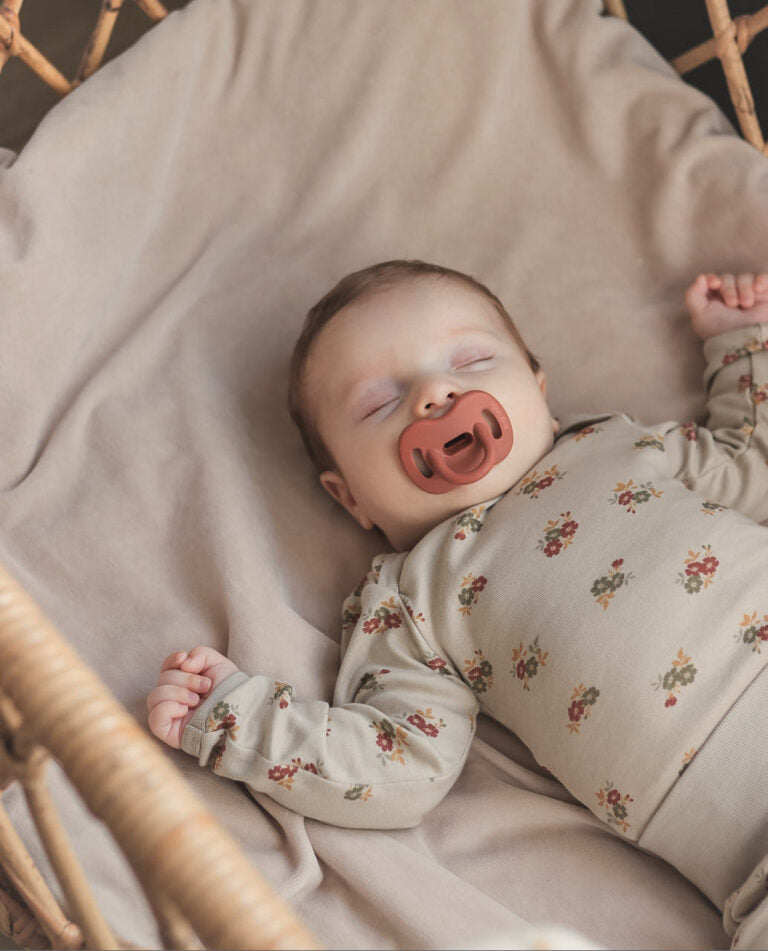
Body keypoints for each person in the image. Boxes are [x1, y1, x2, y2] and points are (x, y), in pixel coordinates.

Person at [147, 260, 768, 948]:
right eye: (380, 403)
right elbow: (399, 762)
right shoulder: (413, 599)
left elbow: (754, 464)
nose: (436, 393)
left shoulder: (620, 444)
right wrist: (237, 718)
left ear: (539, 391)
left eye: (472, 360)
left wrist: (742, 341)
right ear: (349, 495)